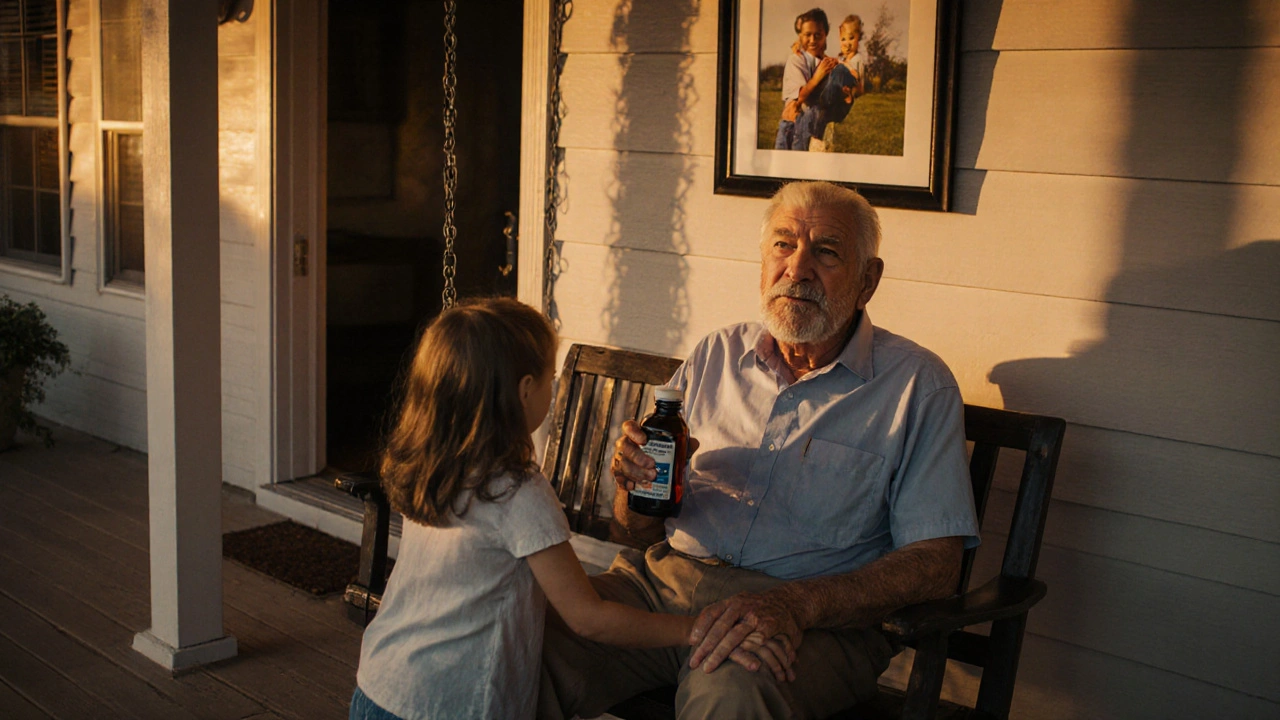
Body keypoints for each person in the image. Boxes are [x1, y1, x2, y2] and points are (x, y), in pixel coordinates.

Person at [539, 182, 980, 719]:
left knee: (731, 694)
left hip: (810, 621)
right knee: (519, 634)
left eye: (827, 252)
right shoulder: (716, 354)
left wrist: (797, 604)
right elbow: (635, 533)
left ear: (869, 281)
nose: (797, 268)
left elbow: (936, 566)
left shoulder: (916, 386)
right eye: (783, 245)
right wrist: (635, 494)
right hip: (662, 589)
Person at [351, 298, 694, 720]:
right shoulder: (517, 491)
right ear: (526, 389)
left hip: (380, 685)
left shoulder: (435, 464)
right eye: (551, 378)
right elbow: (588, 618)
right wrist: (691, 629)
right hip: (453, 703)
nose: (552, 389)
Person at [774, 9, 838, 151]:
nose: (812, 40)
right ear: (800, 37)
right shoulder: (796, 60)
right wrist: (818, 76)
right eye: (807, 35)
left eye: (818, 35)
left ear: (825, 34)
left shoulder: (826, 63)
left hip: (817, 128)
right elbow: (800, 96)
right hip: (794, 127)